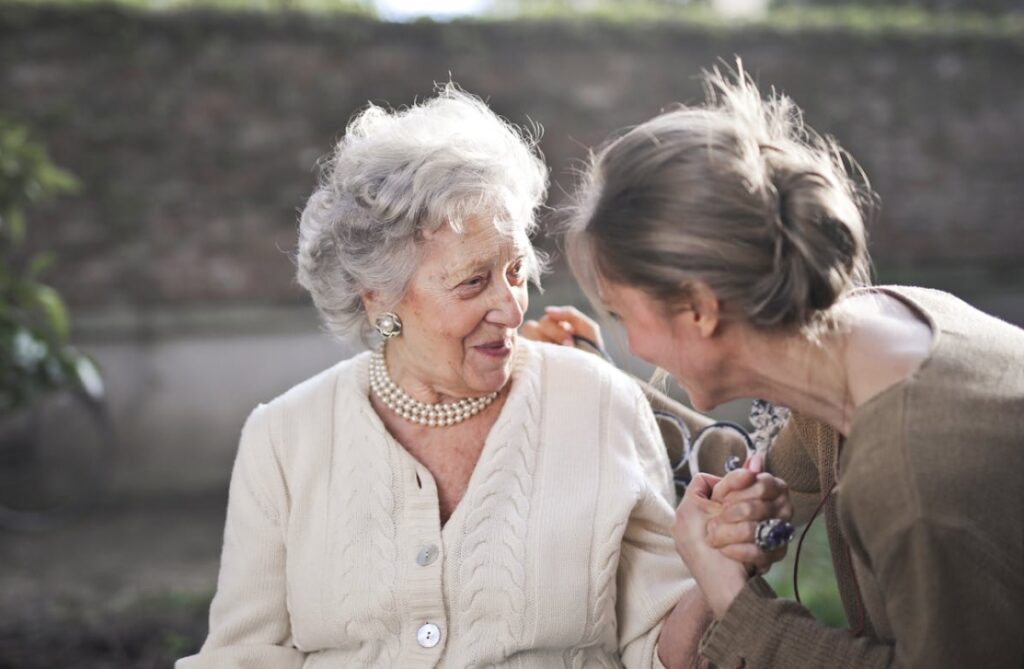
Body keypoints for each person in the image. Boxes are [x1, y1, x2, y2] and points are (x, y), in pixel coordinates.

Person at [176, 85, 790, 669]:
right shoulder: (284, 438)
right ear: (378, 298)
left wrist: (713, 570)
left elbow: (657, 649)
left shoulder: (598, 402)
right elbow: (242, 655)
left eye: (516, 270)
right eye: (473, 282)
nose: (511, 307)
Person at [539, 63, 1024, 668]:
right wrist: (591, 374)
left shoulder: (911, 476)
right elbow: (755, 467)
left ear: (699, 309)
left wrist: (731, 597)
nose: (631, 343)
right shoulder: (880, 330)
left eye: (619, 314)